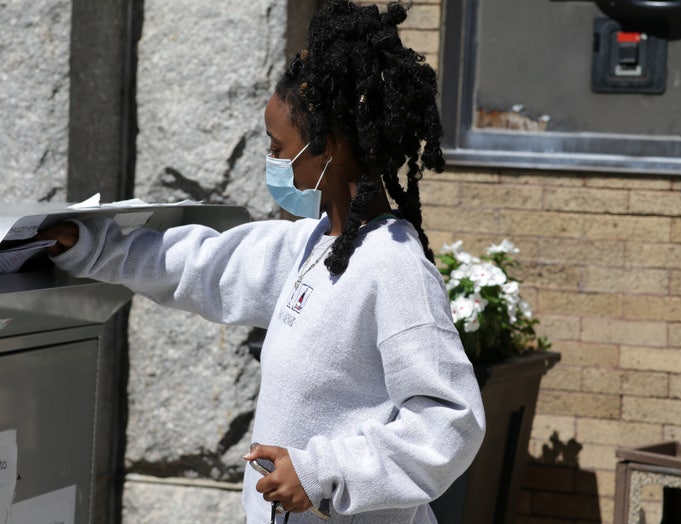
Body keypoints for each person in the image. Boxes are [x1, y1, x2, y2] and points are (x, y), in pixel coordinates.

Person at [40, 1, 485, 522]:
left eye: (279, 147)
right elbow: (202, 265)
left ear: (330, 148)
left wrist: (322, 472)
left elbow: (449, 422)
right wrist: (92, 248)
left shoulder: (394, 269)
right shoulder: (312, 245)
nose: (272, 162)